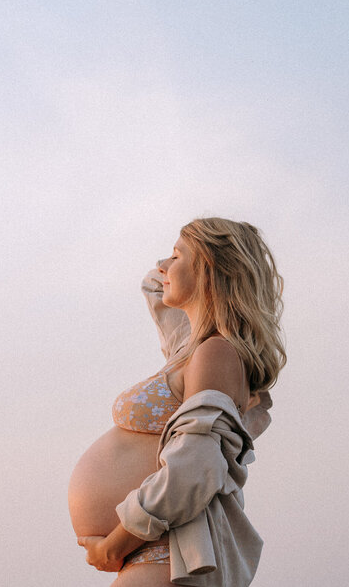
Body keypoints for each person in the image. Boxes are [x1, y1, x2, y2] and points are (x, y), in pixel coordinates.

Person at [67, 218, 285, 586]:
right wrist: (182, 266)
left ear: (211, 270)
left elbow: (198, 466)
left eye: (175, 256)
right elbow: (154, 286)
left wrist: (118, 542)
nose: (162, 267)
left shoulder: (215, 353)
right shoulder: (192, 351)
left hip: (165, 549)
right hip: (153, 551)